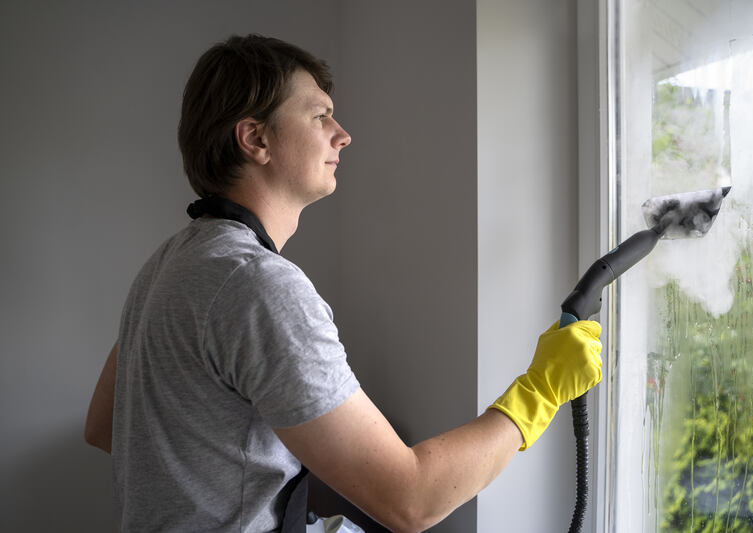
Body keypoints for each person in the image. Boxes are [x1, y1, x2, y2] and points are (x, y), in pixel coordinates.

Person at [84, 34, 603, 533]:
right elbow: (412, 500)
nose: (343, 133)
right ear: (256, 138)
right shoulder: (258, 287)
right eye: (320, 115)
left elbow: (106, 426)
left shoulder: (169, 262)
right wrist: (542, 389)